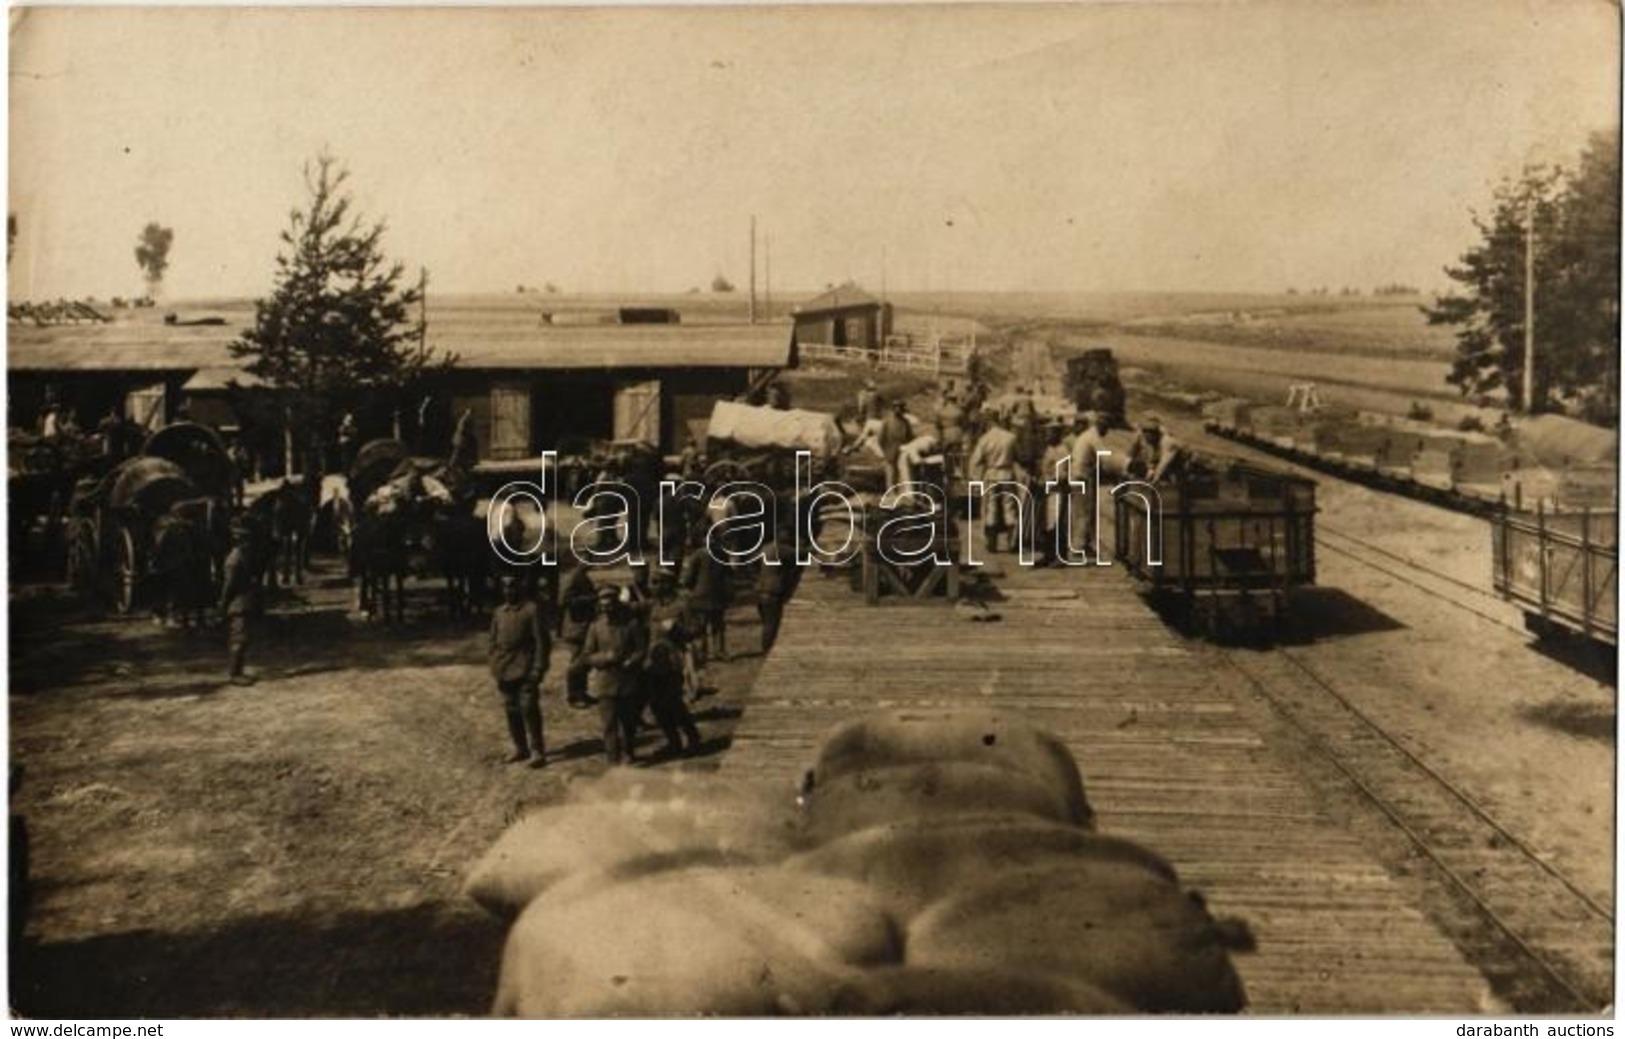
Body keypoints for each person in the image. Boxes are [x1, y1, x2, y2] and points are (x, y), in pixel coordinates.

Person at [575, 584, 648, 765]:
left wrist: (632, 660)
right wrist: (604, 658)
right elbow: (586, 656)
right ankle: (612, 758)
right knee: (608, 725)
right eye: (604, 604)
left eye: (611, 604)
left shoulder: (631, 624)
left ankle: (628, 752)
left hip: (627, 681)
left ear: (618, 604)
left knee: (628, 723)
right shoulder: (595, 627)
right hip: (605, 681)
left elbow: (641, 649)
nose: (607, 608)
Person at [488, 575, 549, 768]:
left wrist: (538, 668)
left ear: (520, 588)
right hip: (504, 669)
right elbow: (493, 642)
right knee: (511, 709)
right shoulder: (499, 612)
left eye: (512, 586)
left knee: (529, 708)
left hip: (526, 668)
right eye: (505, 587)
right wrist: (494, 664)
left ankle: (537, 750)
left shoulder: (531, 610)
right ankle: (520, 747)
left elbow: (542, 642)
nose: (509, 591)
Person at [643, 616, 702, 757]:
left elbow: (684, 637)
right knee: (660, 710)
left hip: (669, 673)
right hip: (654, 673)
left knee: (675, 708)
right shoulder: (648, 621)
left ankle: (693, 738)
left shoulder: (668, 627)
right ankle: (674, 742)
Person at [967, 408, 1022, 553]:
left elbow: (976, 461)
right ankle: (1012, 543)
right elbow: (1019, 456)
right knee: (1009, 507)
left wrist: (974, 478)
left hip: (991, 474)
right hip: (1007, 473)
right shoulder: (1010, 437)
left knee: (991, 508)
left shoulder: (984, 439)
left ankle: (992, 545)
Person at [218, 520, 260, 685]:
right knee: (239, 639)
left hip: (245, 602)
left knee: (244, 638)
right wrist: (222, 604)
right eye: (245, 540)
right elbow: (229, 586)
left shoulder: (242, 556)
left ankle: (239, 670)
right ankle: (234, 674)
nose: (249, 543)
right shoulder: (234, 560)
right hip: (238, 604)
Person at [680, 531, 732, 663]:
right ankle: (719, 651)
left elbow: (687, 578)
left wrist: (688, 588)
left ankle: (703, 653)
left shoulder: (697, 555)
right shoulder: (722, 554)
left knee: (700, 628)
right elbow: (729, 575)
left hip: (699, 597)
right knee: (718, 626)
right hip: (717, 596)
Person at [1068, 410, 1112, 560]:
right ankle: (1078, 547)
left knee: (1086, 512)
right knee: (1084, 513)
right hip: (1082, 477)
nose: (1107, 431)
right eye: (1106, 427)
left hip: (1080, 476)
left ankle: (1085, 544)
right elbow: (1106, 456)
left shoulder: (1086, 435)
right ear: (1101, 425)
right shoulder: (1093, 436)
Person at [557, 565, 597, 708]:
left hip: (583, 625)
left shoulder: (581, 575)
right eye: (586, 558)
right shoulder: (573, 577)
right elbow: (564, 600)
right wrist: (592, 598)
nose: (590, 561)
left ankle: (582, 692)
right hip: (576, 626)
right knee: (577, 663)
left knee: (583, 661)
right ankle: (573, 695)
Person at [1127, 414, 1187, 484]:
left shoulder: (1167, 441)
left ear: (1157, 433)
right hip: (1159, 462)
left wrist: (1154, 478)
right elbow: (1130, 456)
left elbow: (1164, 463)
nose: (1147, 435)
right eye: (1145, 431)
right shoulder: (1141, 436)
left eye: (1151, 432)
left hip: (1182, 466)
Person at [879, 399, 914, 488]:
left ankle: (901, 492)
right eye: (896, 407)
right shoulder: (887, 421)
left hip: (902, 449)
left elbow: (910, 436)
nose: (898, 410)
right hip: (890, 449)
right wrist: (885, 450)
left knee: (903, 472)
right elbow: (881, 438)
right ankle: (891, 492)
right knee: (890, 472)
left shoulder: (906, 422)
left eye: (900, 407)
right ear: (893, 409)